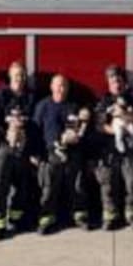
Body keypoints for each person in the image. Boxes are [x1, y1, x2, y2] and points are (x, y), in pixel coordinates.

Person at [0, 61, 39, 238]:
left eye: (22, 75)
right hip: (4, 147)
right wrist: (6, 133)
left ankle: (16, 219)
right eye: (16, 75)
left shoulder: (31, 97)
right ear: (10, 76)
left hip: (24, 147)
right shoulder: (0, 96)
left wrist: (30, 144)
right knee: (0, 183)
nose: (20, 78)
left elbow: (37, 123)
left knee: (22, 185)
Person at [33, 74, 90, 235]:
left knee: (78, 182)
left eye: (64, 85)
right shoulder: (43, 106)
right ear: (51, 87)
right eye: (58, 85)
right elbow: (34, 131)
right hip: (50, 152)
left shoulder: (74, 106)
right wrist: (35, 154)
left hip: (72, 150)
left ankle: (79, 215)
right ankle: (46, 217)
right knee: (49, 183)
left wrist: (77, 136)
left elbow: (82, 129)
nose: (61, 89)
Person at [95, 65, 133, 230]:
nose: (116, 84)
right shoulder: (104, 101)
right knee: (108, 184)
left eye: (119, 80)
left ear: (124, 82)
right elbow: (99, 125)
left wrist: (124, 115)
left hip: (131, 149)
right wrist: (116, 130)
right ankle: (111, 216)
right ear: (108, 83)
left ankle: (132, 216)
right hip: (109, 150)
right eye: (112, 81)